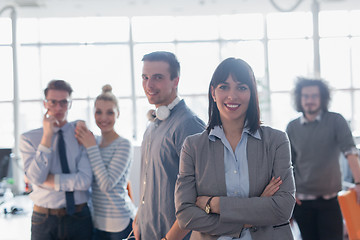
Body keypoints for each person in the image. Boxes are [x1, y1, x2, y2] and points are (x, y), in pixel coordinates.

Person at [175, 57, 296, 240]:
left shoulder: (276, 141)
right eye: (224, 87)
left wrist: (214, 205)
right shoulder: (193, 147)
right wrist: (257, 209)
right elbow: (185, 216)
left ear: (252, 93)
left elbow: (283, 208)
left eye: (241, 87)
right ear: (213, 93)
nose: (232, 96)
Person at [133, 51, 205, 240]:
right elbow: (150, 182)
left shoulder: (188, 125)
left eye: (157, 77)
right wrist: (139, 216)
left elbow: (202, 193)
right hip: (150, 232)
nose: (149, 85)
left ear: (176, 80)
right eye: (145, 77)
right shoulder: (152, 125)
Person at [286, 77, 360, 240]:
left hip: (330, 201)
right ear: (299, 98)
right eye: (305, 96)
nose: (309, 100)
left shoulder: (336, 121)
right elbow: (287, 163)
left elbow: (350, 152)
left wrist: (358, 183)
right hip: (302, 202)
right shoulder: (292, 126)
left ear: (322, 98)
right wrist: (289, 191)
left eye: (314, 96)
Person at [20, 79, 93, 240]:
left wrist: (50, 181)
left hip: (79, 217)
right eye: (53, 102)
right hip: (44, 219)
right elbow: (34, 179)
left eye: (64, 102)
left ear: (70, 104)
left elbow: (85, 180)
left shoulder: (80, 133)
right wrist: (47, 137)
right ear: (45, 104)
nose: (59, 108)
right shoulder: (28, 139)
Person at [75, 84, 137, 240]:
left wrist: (91, 147)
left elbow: (106, 184)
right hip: (96, 222)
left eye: (110, 112)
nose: (103, 118)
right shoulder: (94, 141)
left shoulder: (124, 144)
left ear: (118, 114)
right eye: (99, 112)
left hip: (119, 223)